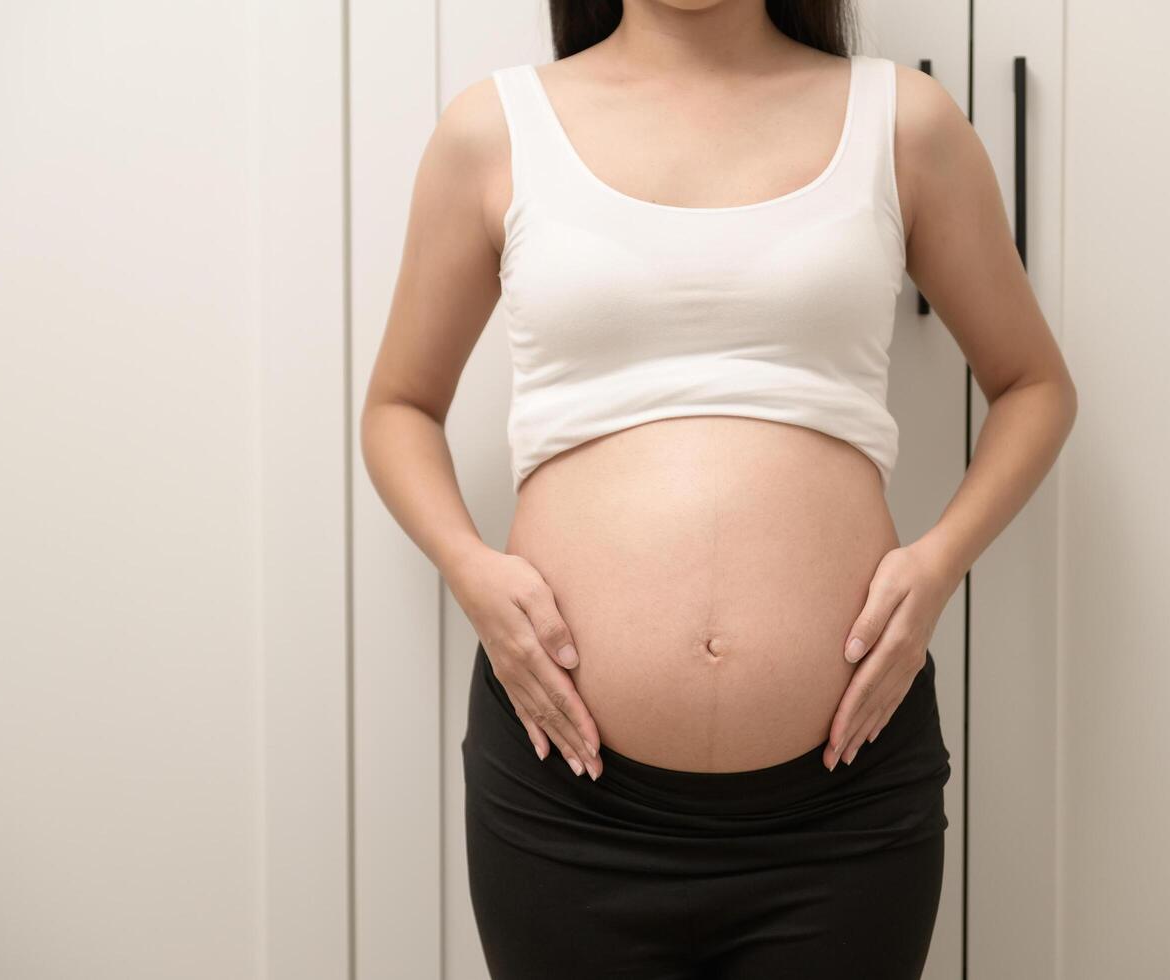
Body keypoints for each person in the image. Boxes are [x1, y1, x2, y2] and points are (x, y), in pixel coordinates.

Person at [360, 1, 1076, 976]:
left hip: (845, 800)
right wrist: (468, 565)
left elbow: (1034, 386)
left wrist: (938, 561)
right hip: (567, 795)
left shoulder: (904, 123)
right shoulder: (494, 129)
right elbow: (399, 404)